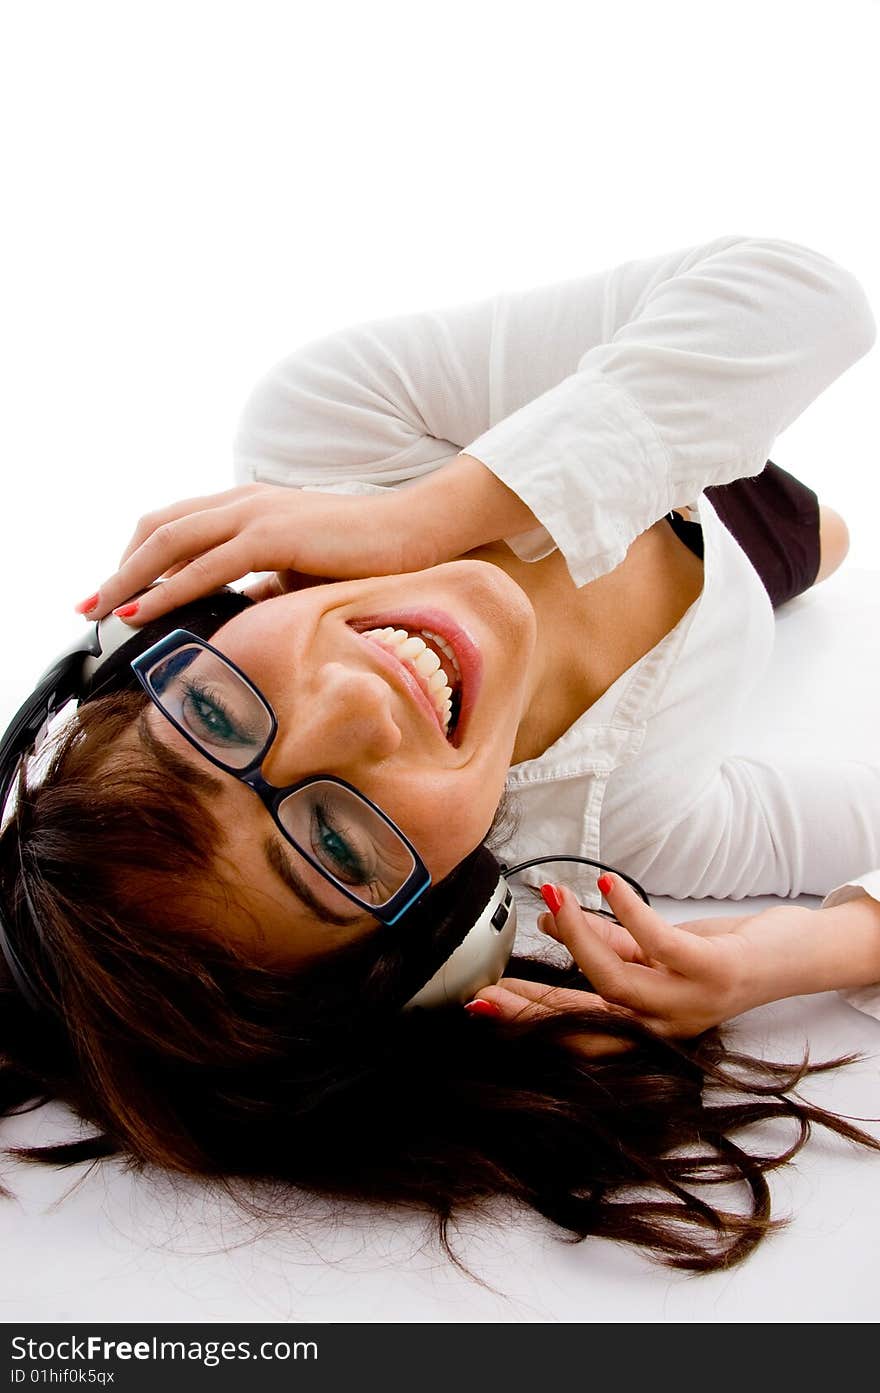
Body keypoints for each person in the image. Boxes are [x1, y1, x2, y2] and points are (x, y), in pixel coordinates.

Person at [1, 234, 878, 1277]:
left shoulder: (330, 431)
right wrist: (790, 956)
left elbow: (803, 298)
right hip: (747, 566)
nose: (354, 709)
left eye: (216, 717)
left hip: (594, 411)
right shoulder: (632, 819)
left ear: (161, 638)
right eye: (334, 840)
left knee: (722, 404)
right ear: (448, 928)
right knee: (827, 542)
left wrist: (426, 512)